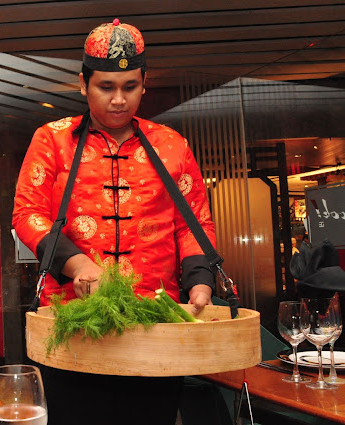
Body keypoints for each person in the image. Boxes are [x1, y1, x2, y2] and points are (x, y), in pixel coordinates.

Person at [12, 19, 216, 425]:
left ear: (144, 84)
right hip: (74, 328)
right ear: (82, 84)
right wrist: (77, 265)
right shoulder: (52, 139)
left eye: (130, 87)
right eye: (106, 87)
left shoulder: (172, 145)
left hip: (156, 328)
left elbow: (194, 225)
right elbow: (27, 214)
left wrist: (200, 282)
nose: (119, 100)